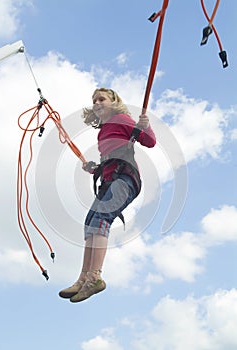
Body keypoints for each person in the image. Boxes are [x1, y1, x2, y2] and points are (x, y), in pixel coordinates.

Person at [59, 87, 156, 303]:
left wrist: (145, 127)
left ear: (113, 102)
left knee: (102, 219)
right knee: (90, 223)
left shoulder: (122, 119)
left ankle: (95, 277)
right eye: (94, 100)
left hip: (126, 178)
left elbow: (150, 142)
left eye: (101, 99)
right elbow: (111, 158)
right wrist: (94, 168)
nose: (97, 103)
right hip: (110, 179)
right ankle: (83, 277)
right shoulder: (103, 131)